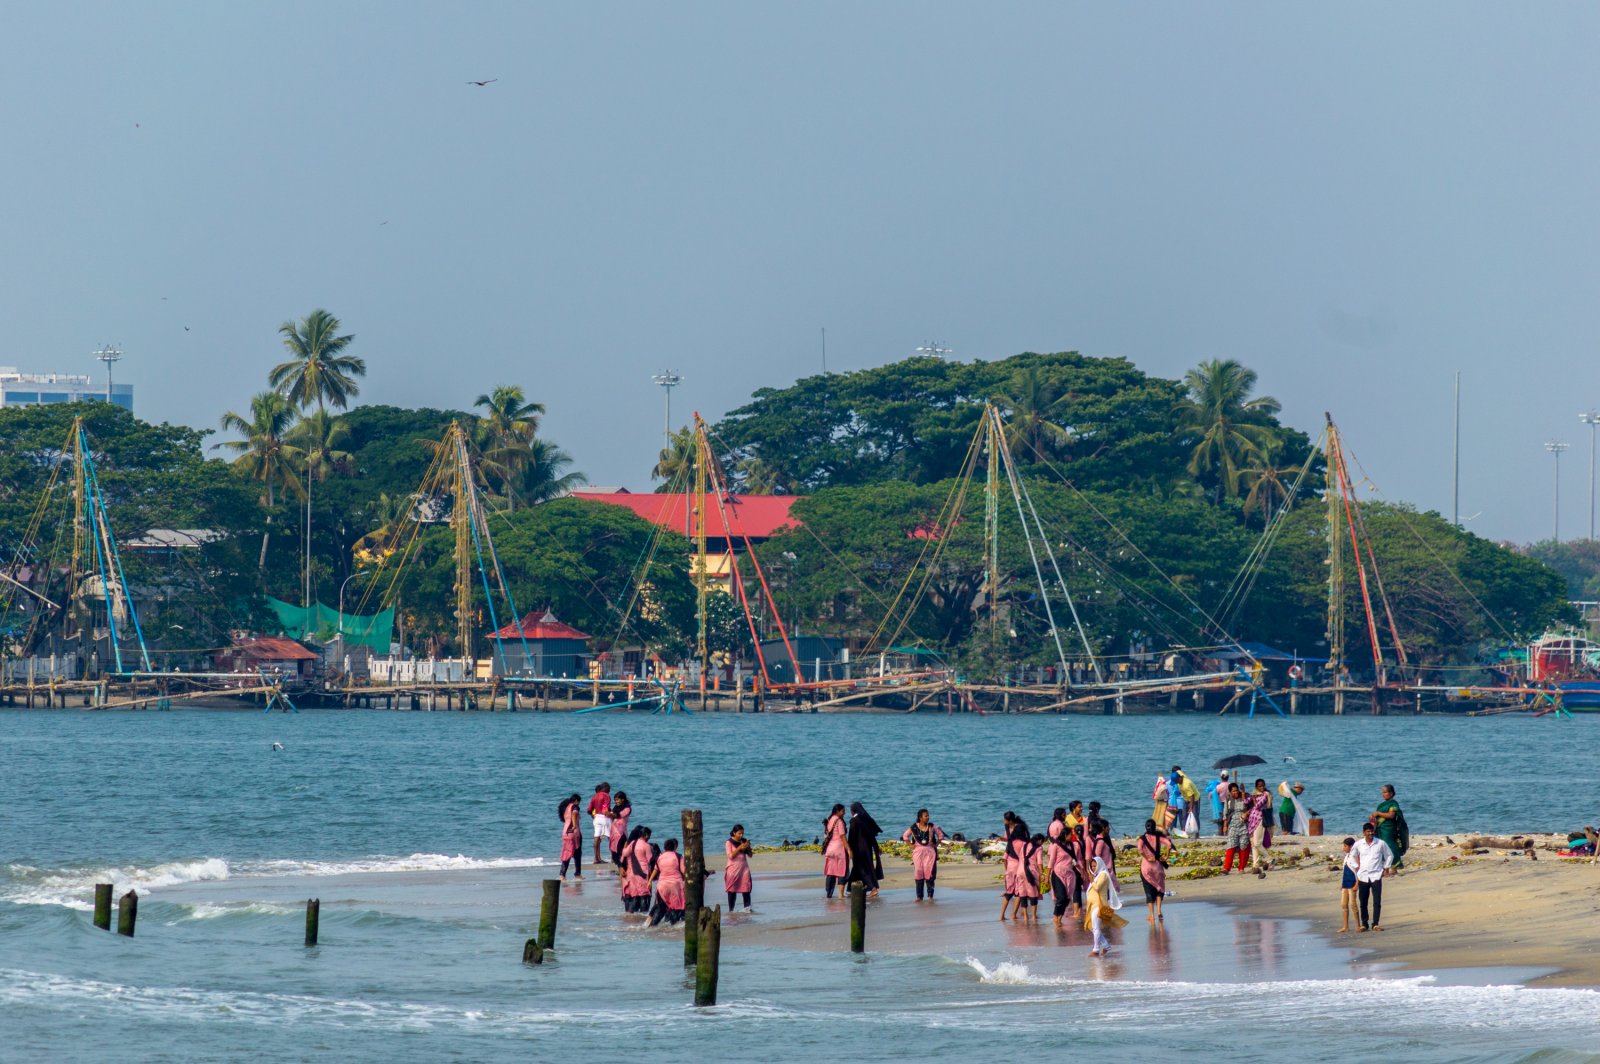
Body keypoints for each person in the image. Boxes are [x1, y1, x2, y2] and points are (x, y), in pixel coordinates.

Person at [1350, 821, 1394, 931]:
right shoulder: (1359, 844)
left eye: (1372, 831)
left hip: (1376, 875)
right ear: (1364, 832)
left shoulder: (1380, 843)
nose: (1370, 833)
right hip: (1363, 876)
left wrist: (1386, 867)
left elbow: (1389, 855)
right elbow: (1352, 855)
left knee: (1377, 901)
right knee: (1363, 901)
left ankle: (1375, 924)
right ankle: (1364, 924)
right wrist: (1356, 867)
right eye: (1368, 831)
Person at [1083, 856, 1127, 956]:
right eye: (1092, 866)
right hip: (1093, 905)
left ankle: (1096, 949)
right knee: (1092, 927)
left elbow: (1097, 887)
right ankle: (1106, 945)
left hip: (1100, 905)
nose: (1093, 868)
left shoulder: (1103, 875)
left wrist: (1091, 881)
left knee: (1095, 927)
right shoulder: (1097, 876)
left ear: (1100, 865)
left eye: (1095, 866)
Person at [902, 809, 946, 901]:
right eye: (926, 816)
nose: (928, 817)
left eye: (928, 815)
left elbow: (941, 835)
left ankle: (930, 896)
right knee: (918, 872)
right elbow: (905, 836)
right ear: (920, 818)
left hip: (930, 852)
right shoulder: (913, 827)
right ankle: (919, 897)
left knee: (929, 872)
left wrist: (936, 845)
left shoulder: (932, 827)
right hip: (918, 852)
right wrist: (910, 845)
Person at [1045, 820, 1082, 928]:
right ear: (1065, 835)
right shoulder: (1056, 846)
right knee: (1061, 897)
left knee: (1067, 899)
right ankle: (1055, 917)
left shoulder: (1072, 846)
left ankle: (1059, 918)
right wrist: (1047, 876)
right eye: (1070, 834)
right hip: (1058, 874)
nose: (1072, 836)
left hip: (1070, 875)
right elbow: (1051, 861)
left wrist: (1083, 871)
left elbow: (1076, 860)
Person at [1137, 819, 1174, 924]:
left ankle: (1151, 915)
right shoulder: (1158, 837)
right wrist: (1166, 856)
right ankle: (1158, 911)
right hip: (1158, 867)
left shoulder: (1142, 839)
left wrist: (1147, 857)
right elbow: (1169, 844)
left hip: (1146, 867)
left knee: (1149, 891)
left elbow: (1139, 849)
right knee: (1160, 889)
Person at [846, 802, 884, 897]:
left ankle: (873, 888)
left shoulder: (854, 820)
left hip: (858, 849)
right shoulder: (866, 819)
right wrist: (876, 847)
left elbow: (852, 836)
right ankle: (850, 889)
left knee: (861, 868)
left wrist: (849, 848)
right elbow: (872, 836)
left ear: (853, 811)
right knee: (857, 868)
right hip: (868, 848)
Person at [648, 838, 687, 926]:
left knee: (661, 909)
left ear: (665, 847)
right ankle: (673, 927)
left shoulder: (660, 857)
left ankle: (652, 926)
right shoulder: (678, 856)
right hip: (675, 886)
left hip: (662, 886)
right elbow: (684, 871)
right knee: (676, 907)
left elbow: (655, 870)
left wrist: (649, 881)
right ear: (674, 847)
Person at [1007, 827, 1043, 925]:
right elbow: (1039, 862)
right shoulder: (1039, 848)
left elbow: (1020, 857)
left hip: (1020, 871)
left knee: (1022, 893)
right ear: (1040, 841)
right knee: (1033, 894)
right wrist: (1042, 874)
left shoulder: (1025, 845)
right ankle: (1034, 916)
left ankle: (1026, 917)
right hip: (1031, 872)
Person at [1373, 784, 1409, 870]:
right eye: (1382, 792)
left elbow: (1391, 815)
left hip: (1388, 829)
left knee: (1391, 846)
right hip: (1380, 828)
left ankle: (1395, 866)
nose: (1383, 794)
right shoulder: (1382, 805)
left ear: (1391, 793)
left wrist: (1378, 813)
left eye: (1385, 792)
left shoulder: (1393, 804)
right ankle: (1385, 867)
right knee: (1381, 847)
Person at [621, 826, 655, 914]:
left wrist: (625, 846)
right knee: (644, 896)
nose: (649, 837)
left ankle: (632, 915)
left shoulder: (633, 843)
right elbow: (650, 860)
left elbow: (624, 853)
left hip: (632, 874)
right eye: (649, 835)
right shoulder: (647, 846)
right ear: (646, 835)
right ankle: (643, 916)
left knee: (635, 895)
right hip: (643, 874)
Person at [1246, 778, 1273, 877]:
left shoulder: (1266, 795)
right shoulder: (1254, 794)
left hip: (1260, 820)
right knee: (1253, 844)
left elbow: (1258, 805)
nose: (1262, 787)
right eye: (1260, 786)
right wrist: (1244, 793)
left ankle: (1270, 859)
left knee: (1257, 843)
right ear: (1256, 787)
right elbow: (1245, 801)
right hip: (1252, 821)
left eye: (1263, 785)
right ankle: (1255, 865)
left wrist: (1253, 799)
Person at [724, 824, 753, 911]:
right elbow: (731, 856)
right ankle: (731, 911)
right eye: (739, 833)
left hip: (744, 869)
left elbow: (750, 855)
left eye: (742, 833)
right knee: (732, 891)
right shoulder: (729, 842)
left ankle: (747, 910)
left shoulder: (743, 841)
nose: (741, 835)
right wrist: (739, 847)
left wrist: (748, 847)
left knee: (746, 890)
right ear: (734, 833)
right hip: (733, 869)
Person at [822, 803, 849, 898]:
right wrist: (849, 849)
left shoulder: (830, 820)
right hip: (839, 849)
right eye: (843, 811)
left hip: (830, 849)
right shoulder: (839, 821)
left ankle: (829, 893)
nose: (844, 813)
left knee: (831, 871)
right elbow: (842, 836)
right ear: (838, 811)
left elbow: (826, 834)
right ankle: (840, 894)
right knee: (843, 871)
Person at [1222, 783, 1248, 873]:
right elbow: (1225, 814)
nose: (1236, 792)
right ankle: (1226, 868)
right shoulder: (1228, 800)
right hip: (1233, 825)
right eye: (1233, 791)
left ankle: (1241, 868)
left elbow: (1251, 807)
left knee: (1243, 846)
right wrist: (1225, 826)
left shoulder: (1244, 797)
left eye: (1237, 790)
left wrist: (1243, 793)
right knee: (1231, 845)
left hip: (1244, 825)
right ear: (1229, 792)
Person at [558, 793, 583, 880]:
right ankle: (577, 874)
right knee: (577, 853)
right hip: (574, 832)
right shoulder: (575, 806)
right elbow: (574, 813)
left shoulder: (566, 808)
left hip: (565, 832)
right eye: (579, 802)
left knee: (566, 853)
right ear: (576, 801)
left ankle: (562, 874)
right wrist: (574, 825)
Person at [1337, 836, 1359, 933]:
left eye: (1345, 846)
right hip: (1345, 884)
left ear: (1351, 847)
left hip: (1352, 883)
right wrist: (1342, 884)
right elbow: (1344, 871)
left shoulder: (1355, 857)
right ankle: (1345, 926)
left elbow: (1358, 870)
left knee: (1353, 905)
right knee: (1344, 905)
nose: (1344, 848)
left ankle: (1358, 925)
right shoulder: (1346, 857)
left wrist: (1357, 884)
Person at [588, 783, 613, 866]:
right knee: (610, 837)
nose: (609, 791)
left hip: (596, 818)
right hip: (604, 817)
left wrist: (593, 815)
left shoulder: (594, 796)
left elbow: (589, 810)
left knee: (596, 838)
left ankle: (596, 859)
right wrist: (610, 813)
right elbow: (605, 808)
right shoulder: (606, 795)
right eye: (609, 789)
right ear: (605, 788)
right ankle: (613, 858)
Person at [608, 791, 632, 869]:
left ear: (622, 799)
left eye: (617, 799)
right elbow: (611, 815)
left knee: (620, 851)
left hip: (621, 833)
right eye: (615, 800)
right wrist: (606, 813)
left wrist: (610, 814)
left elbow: (619, 815)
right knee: (614, 852)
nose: (616, 801)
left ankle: (623, 868)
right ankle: (620, 867)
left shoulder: (627, 808)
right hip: (614, 832)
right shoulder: (615, 808)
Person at [1212, 770, 1231, 837]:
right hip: (1229, 804)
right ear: (1228, 777)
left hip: (1221, 805)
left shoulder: (1218, 787)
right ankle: (1228, 834)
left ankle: (1220, 834)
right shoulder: (1230, 785)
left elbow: (1214, 795)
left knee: (1221, 821)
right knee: (1228, 820)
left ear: (1221, 777)